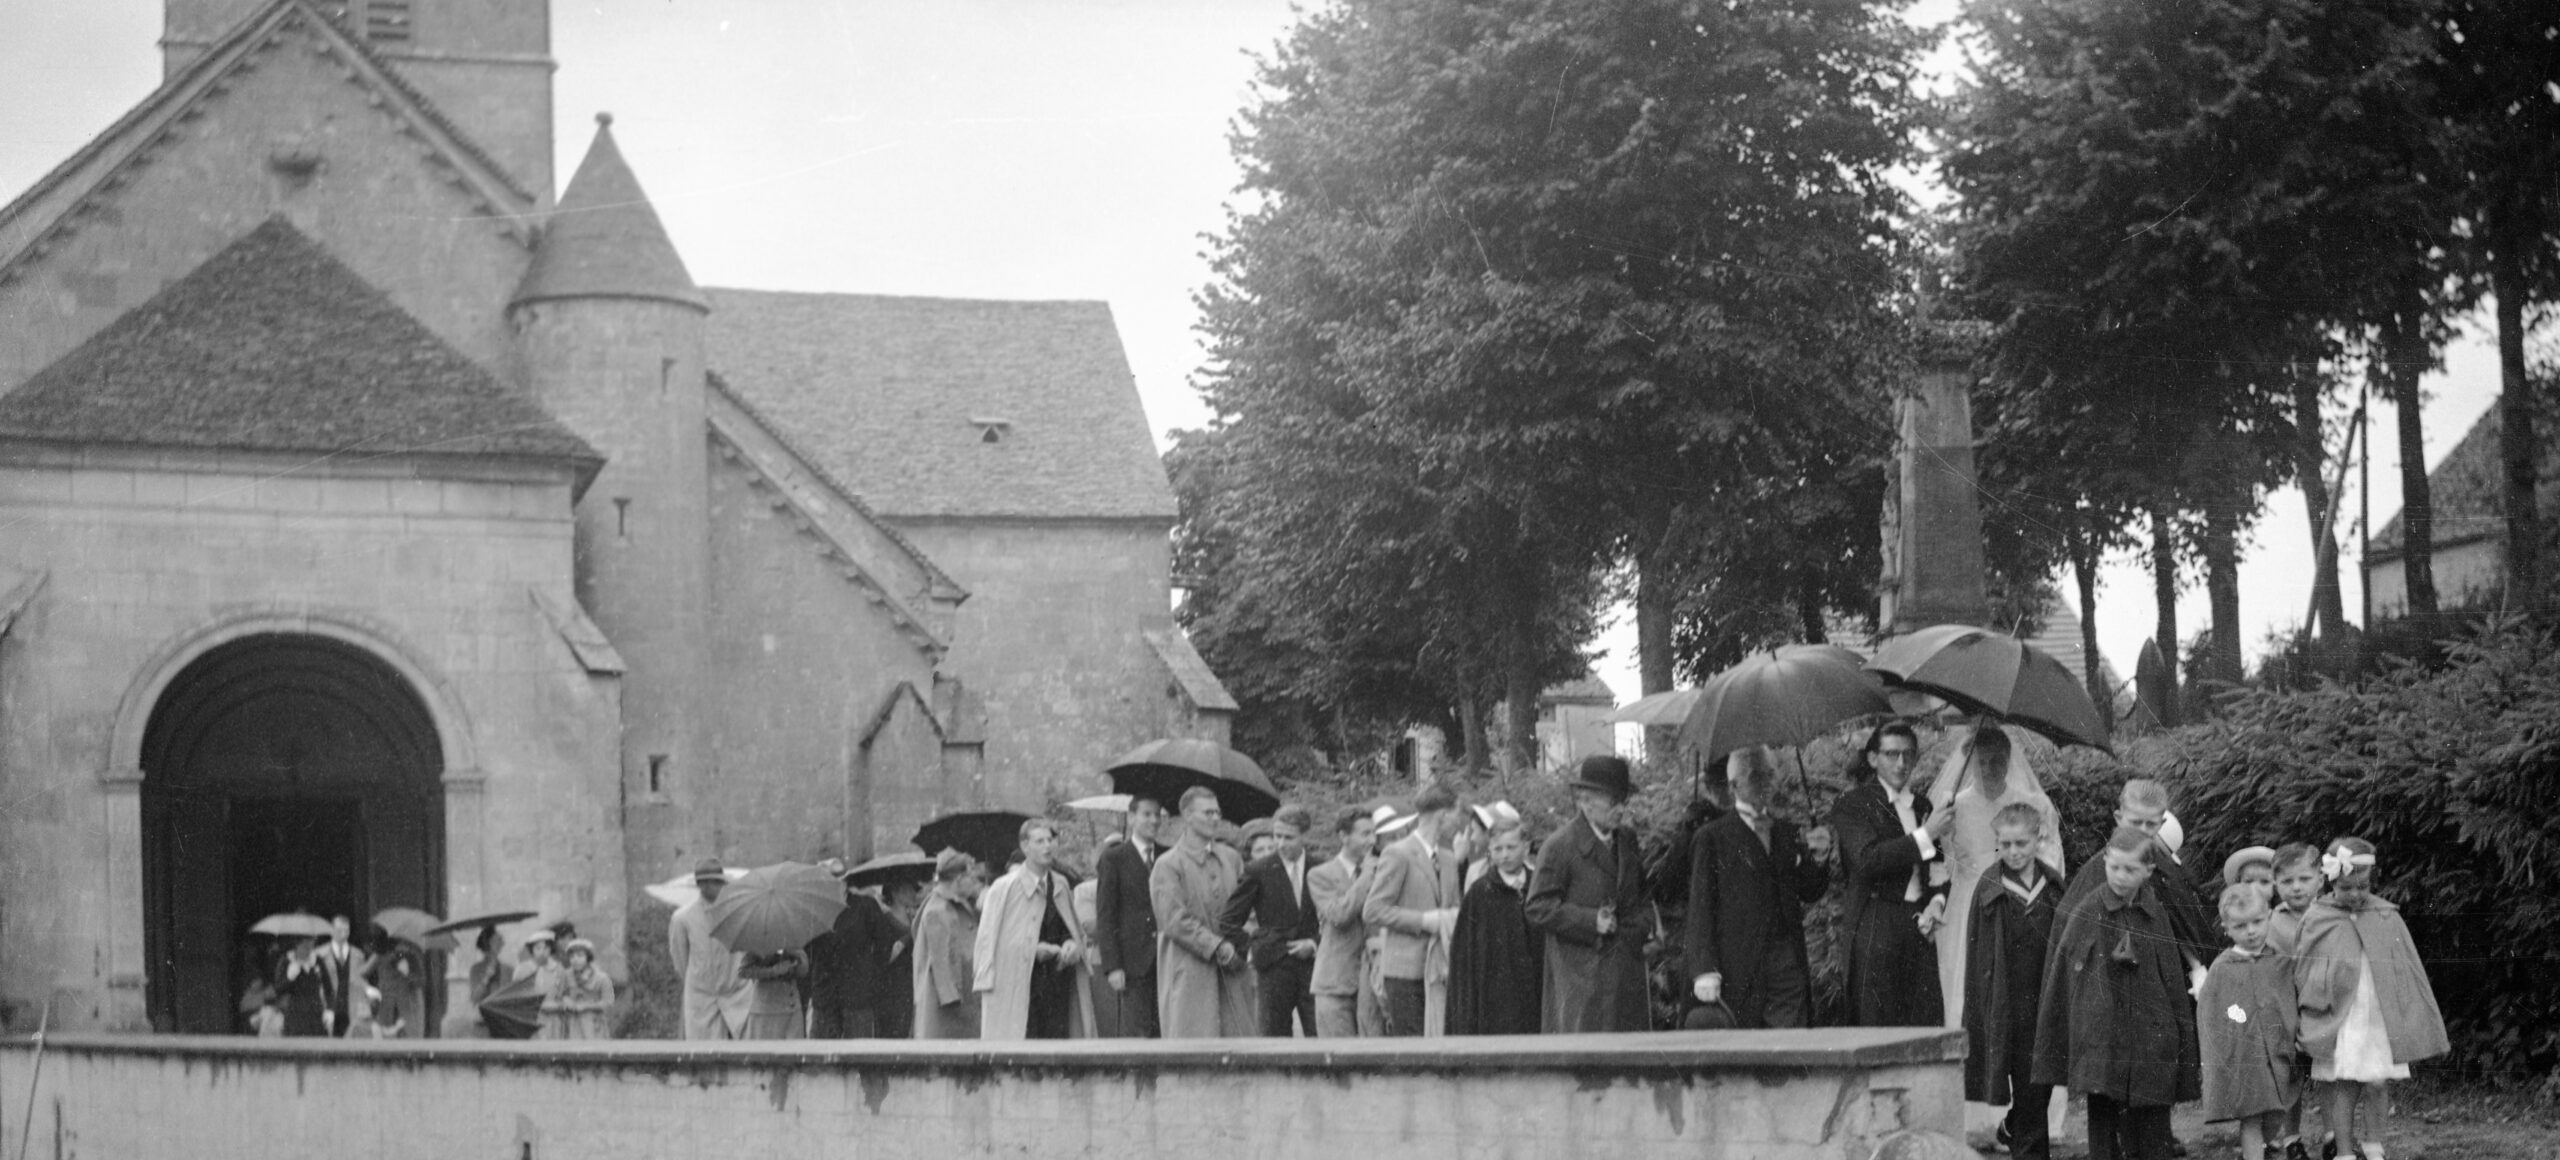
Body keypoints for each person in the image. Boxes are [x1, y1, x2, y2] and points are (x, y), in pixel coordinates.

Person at [2032, 826, 2201, 1160]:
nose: (2120, 877)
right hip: (2103, 1042)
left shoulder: (2155, 912)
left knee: (2152, 1133)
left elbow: (2170, 979)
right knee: (2106, 1130)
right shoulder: (2088, 910)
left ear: (2148, 871)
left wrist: (2175, 1034)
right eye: (2114, 867)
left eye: (2130, 869)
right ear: (2105, 862)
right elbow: (2066, 979)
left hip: (2149, 1042)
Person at [2293, 838, 2446, 1160]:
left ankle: (2375, 1146)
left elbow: (2407, 970)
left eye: (2362, 887)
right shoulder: (2318, 917)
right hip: (2340, 1015)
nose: (2355, 894)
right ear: (2331, 883)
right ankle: (2344, 1151)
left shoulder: (2385, 915)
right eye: (2346, 888)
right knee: (2344, 1083)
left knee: (2377, 1082)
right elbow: (2304, 969)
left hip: (2378, 1014)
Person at [1926, 724, 2063, 1031]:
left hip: (2016, 899)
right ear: (1970, 763)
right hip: (1968, 904)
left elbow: (2049, 857)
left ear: (2008, 760)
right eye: (1982, 761)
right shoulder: (1953, 806)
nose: (1989, 769)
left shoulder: (2031, 803)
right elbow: (1940, 863)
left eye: (1997, 760)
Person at [1683, 748, 1832, 1029]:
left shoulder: (1786, 832)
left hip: (1786, 962)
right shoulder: (1712, 837)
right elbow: (1700, 907)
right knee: (1746, 1045)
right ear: (1733, 786)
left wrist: (1820, 858)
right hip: (1737, 966)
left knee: (1789, 1042)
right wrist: (1704, 970)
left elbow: (1809, 890)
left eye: (1770, 774)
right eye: (1755, 776)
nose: (1766, 782)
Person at [1828, 722, 1951, 1027]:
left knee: (1923, 1021)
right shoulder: (1853, 804)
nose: (1901, 763)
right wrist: (1927, 833)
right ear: (1873, 758)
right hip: (1875, 922)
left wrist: (1936, 903)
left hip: (1919, 925)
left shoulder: (1922, 806)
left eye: (1908, 755)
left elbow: (1938, 867)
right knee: (1878, 1023)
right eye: (1891, 754)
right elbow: (1868, 860)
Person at [1963, 801, 2064, 1160]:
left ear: (2038, 839)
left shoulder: (2052, 886)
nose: (2013, 851)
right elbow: (1978, 955)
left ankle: (2013, 1126)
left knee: (2041, 1085)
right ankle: (2028, 1148)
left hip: (2046, 999)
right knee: (2028, 1084)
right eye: (2005, 844)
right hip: (2010, 1002)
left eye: (2021, 843)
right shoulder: (1990, 889)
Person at [1526, 755, 1651, 1034]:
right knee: (1586, 1055)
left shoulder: (1627, 840)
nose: (1621, 809)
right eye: (1613, 801)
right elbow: (1537, 907)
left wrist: (1643, 927)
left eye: (1624, 800)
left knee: (1630, 1054)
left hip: (1626, 977)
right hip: (1581, 983)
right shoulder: (1559, 846)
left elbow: (1641, 895)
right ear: (1585, 800)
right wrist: (1590, 921)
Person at [2059, 779, 2219, 979]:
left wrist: (2196, 967)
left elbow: (2185, 927)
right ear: (2119, 818)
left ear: (2161, 824)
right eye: (2135, 822)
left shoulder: (2165, 867)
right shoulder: (2098, 870)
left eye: (2150, 824)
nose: (2142, 830)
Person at [976, 818, 1098, 1040]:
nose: (1047, 846)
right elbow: (989, 943)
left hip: (1058, 983)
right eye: (1040, 841)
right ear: (1025, 846)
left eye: (1050, 840)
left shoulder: (1060, 884)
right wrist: (1033, 950)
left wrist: (1071, 944)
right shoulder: (1004, 888)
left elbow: (1070, 929)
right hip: (1020, 987)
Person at [2200, 884, 2298, 1160]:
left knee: (2277, 1112)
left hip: (2278, 1052)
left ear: (2269, 917)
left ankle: (2262, 1149)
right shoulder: (2223, 968)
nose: (2251, 931)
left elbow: (2289, 1001)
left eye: (2257, 922)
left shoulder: (2279, 961)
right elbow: (2213, 1016)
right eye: (2241, 926)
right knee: (2252, 1118)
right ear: (2227, 928)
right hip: (2245, 1058)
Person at [1151, 786, 1256, 1037]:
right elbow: (1174, 920)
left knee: (1241, 1042)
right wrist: (1217, 946)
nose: (1215, 818)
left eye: (1217, 812)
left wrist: (1243, 943)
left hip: (1234, 970)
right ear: (1187, 815)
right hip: (1189, 972)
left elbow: (1249, 908)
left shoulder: (1232, 858)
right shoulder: (1168, 864)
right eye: (1207, 813)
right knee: (1194, 1043)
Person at [1366, 784, 1463, 1037]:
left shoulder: (1448, 858)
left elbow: (1453, 905)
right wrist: (1423, 921)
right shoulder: (1398, 853)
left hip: (1440, 971)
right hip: (1405, 973)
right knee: (1413, 1051)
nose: (1459, 822)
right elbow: (1373, 910)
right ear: (1443, 815)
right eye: (1457, 814)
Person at [1221, 804, 1321, 1037]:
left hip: (1313, 967)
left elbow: (1332, 920)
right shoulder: (1258, 870)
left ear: (1304, 836)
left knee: (1320, 1035)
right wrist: (1252, 949)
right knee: (1273, 1040)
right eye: (1277, 836)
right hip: (1273, 968)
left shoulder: (1320, 867)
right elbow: (1228, 920)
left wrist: (1314, 943)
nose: (1281, 843)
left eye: (1289, 837)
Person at [1448, 819, 1543, 1035]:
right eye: (1498, 849)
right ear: (1489, 850)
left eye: (1511, 847)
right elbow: (1464, 958)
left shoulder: (1538, 887)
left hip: (1536, 992)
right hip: (1496, 999)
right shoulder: (1480, 894)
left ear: (1526, 847)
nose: (1505, 855)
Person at [806, 857, 909, 1038]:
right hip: (825, 998)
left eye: (836, 879)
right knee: (822, 1052)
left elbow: (883, 947)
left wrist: (868, 976)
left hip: (858, 998)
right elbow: (808, 951)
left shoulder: (865, 906)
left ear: (845, 882)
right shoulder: (813, 909)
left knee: (860, 1051)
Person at [1095, 795, 1166, 1038]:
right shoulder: (1114, 858)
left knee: (1168, 1033)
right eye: (1147, 814)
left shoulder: (1168, 856)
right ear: (1132, 817)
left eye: (1157, 815)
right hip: (1133, 965)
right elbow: (1106, 915)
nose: (1154, 820)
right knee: (1138, 1035)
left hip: (1166, 960)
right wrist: (1113, 966)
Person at [1308, 805, 1380, 1038]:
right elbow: (1339, 915)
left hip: (1372, 983)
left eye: (1373, 833)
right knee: (1338, 1054)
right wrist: (1366, 876)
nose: (1372, 840)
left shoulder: (1381, 869)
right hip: (1335, 985)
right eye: (1365, 834)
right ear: (1343, 836)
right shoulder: (1320, 874)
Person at [668, 858, 752, 1040]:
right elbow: (681, 960)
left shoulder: (739, 912)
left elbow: (747, 951)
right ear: (699, 885)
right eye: (705, 882)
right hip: (702, 1001)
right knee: (704, 1050)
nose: (711, 887)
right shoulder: (683, 918)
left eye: (716, 882)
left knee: (743, 1047)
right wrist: (701, 979)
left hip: (738, 995)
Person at [913, 851, 985, 1039]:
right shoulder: (939, 910)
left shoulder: (951, 904)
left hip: (958, 1004)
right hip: (950, 1010)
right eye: (971, 877)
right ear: (959, 879)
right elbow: (942, 965)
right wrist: (956, 1003)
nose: (975, 882)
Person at [546, 938, 616, 1039]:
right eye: (572, 956)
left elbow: (608, 1002)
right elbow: (555, 997)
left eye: (580, 955)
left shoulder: (602, 978)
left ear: (588, 957)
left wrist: (586, 1006)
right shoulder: (565, 975)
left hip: (594, 1024)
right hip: (571, 1023)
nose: (575, 960)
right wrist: (565, 1000)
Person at [737, 946, 807, 1039]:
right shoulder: (759, 943)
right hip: (767, 1010)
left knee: (795, 1047)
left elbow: (803, 972)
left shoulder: (792, 942)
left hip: (793, 1007)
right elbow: (743, 971)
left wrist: (799, 958)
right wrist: (773, 971)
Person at [320, 915, 372, 1038]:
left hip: (352, 1009)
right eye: (339, 930)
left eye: (346, 931)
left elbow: (362, 983)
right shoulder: (320, 955)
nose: (343, 934)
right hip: (328, 1009)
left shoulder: (358, 955)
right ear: (331, 931)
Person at [274, 934, 330, 1038]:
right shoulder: (287, 961)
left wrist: (330, 1010)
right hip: (295, 1014)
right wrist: (290, 978)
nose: (308, 950)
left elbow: (328, 987)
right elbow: (278, 989)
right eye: (304, 946)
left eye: (310, 946)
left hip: (315, 1013)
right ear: (297, 945)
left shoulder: (317, 961)